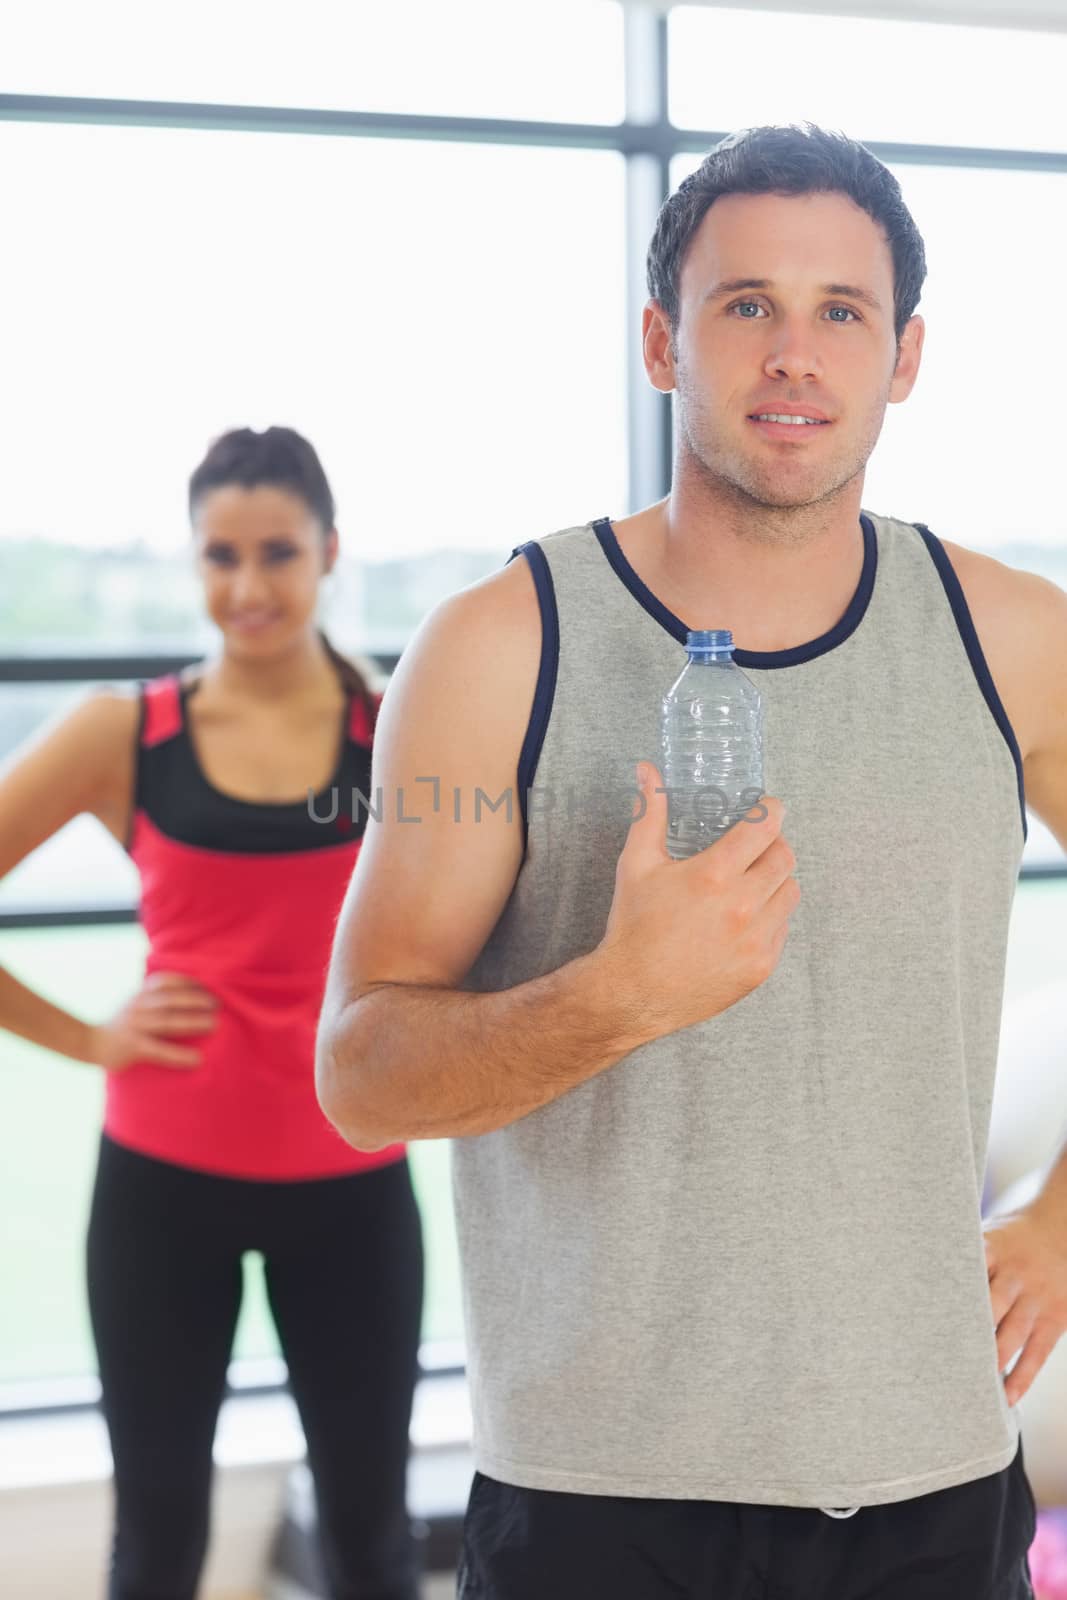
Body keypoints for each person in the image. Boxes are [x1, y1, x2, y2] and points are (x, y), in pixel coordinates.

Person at [315, 123, 1067, 1599]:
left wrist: (1056, 1216)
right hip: (591, 1493)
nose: (792, 355)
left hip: (917, 1474)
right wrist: (616, 994)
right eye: (745, 308)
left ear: (901, 356)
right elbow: (360, 1072)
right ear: (663, 340)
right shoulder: (499, 648)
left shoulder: (1013, 644)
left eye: (837, 313)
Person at [0, 426, 424, 1600]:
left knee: (371, 1540)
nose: (246, 587)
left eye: (277, 552)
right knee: (159, 1540)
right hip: (161, 1187)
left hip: (351, 1178)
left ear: (330, 552)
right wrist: (89, 1036)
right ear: (190, 561)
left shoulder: (395, 733)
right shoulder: (118, 733)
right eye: (218, 555)